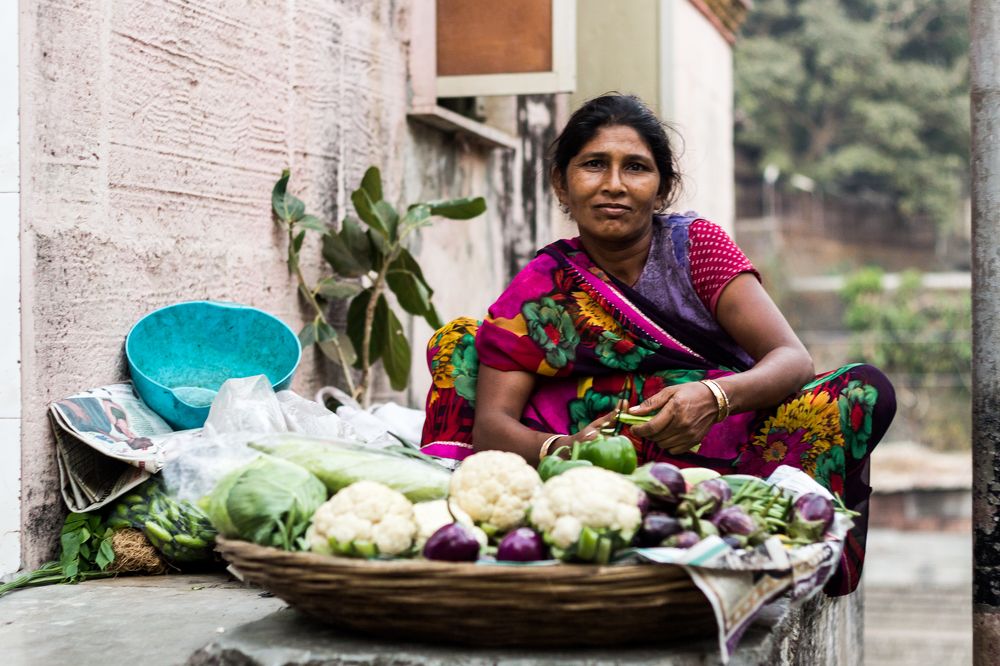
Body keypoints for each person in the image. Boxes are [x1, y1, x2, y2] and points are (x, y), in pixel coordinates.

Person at [420, 93, 895, 595]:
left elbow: (792, 360)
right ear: (562, 181)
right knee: (462, 341)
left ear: (663, 187)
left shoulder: (696, 249)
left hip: (722, 446)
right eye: (594, 165)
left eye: (637, 168)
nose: (614, 185)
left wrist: (714, 398)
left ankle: (768, 519)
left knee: (861, 390)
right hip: (591, 467)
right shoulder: (542, 287)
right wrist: (569, 450)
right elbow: (493, 427)